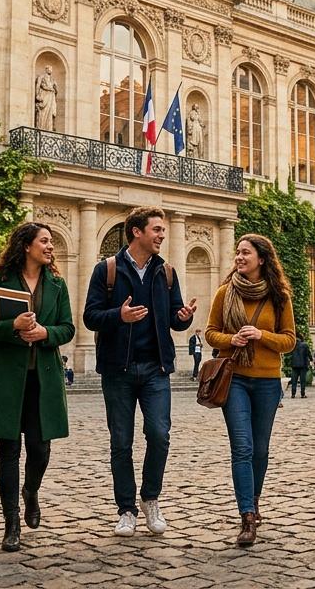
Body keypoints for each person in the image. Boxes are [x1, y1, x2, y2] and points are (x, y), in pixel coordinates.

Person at [83, 206, 198, 537]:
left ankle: (150, 498)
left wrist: (185, 316)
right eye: (157, 230)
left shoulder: (167, 272)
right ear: (137, 232)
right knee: (121, 441)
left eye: (162, 230)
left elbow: (176, 320)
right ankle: (126, 510)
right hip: (118, 369)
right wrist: (119, 316)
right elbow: (90, 316)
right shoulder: (106, 270)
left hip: (156, 369)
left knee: (159, 435)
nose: (162, 235)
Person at [0, 222, 75, 552]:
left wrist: (46, 333)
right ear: (26, 245)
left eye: (50, 241)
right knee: (8, 450)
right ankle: (11, 523)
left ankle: (30, 491)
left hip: (42, 378)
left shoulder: (57, 284)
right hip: (5, 378)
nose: (49, 246)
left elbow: (68, 327)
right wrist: (12, 326)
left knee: (40, 448)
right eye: (44, 241)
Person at [204, 234, 296, 546]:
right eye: (238, 253)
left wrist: (261, 335)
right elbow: (210, 333)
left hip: (268, 381)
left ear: (261, 259)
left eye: (246, 253)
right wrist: (232, 340)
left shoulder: (279, 297)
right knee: (242, 447)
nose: (240, 257)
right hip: (235, 380)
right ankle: (246, 515)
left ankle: (254, 500)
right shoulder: (223, 293)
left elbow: (289, 340)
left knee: (260, 448)